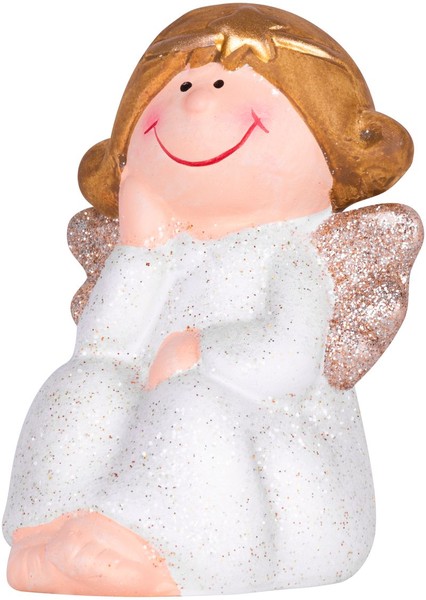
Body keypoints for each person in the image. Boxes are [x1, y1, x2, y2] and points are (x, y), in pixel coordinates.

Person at [3, 4, 423, 596]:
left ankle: (160, 550)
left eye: (223, 85)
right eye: (180, 86)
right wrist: (139, 249)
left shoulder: (298, 255)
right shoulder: (159, 250)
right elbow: (103, 346)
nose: (197, 103)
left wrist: (202, 350)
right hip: (163, 434)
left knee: (194, 400)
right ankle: (48, 530)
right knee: (85, 384)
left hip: (280, 485)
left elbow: (291, 360)